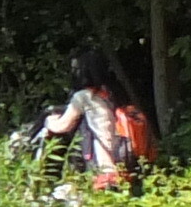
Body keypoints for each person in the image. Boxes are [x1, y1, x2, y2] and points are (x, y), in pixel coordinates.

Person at [37, 44, 158, 189]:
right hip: (125, 161)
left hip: (104, 165)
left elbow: (63, 126)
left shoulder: (84, 97)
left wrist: (49, 121)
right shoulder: (114, 93)